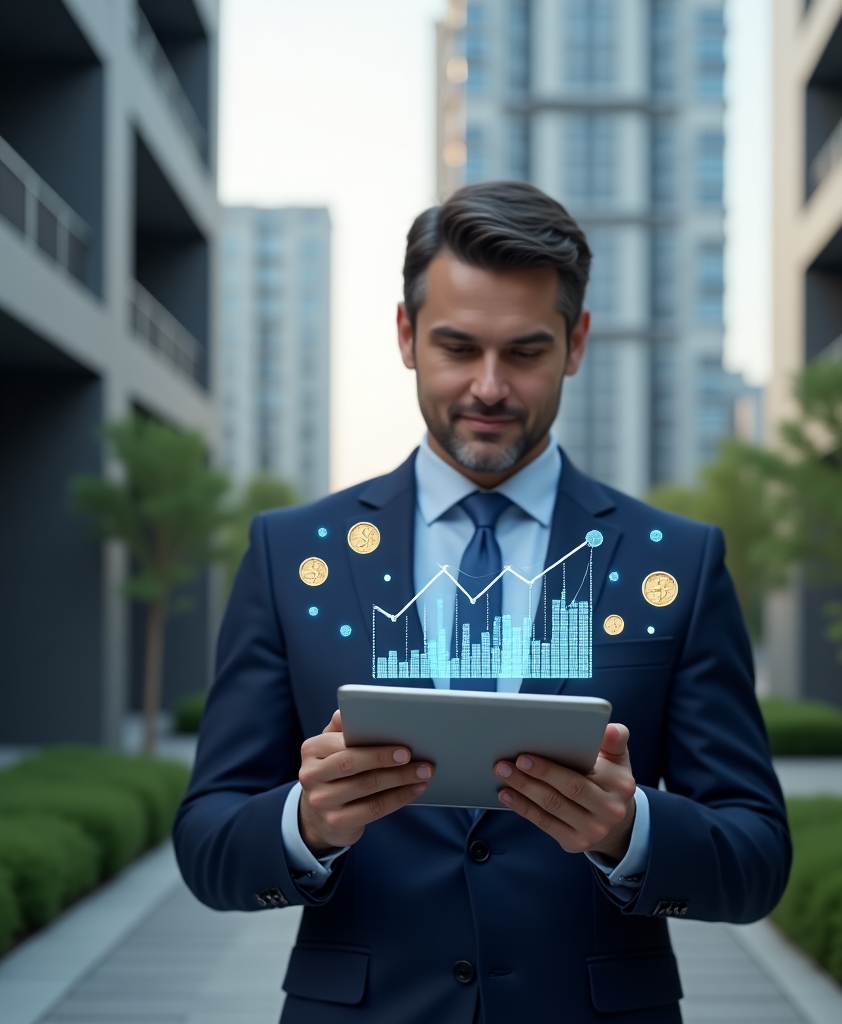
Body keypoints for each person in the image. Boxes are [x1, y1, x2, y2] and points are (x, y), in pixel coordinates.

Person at [174, 182, 791, 1024]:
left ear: (576, 343)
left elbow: (756, 858)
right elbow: (208, 844)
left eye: (525, 352)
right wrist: (306, 822)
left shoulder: (678, 562)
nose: (490, 387)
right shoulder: (292, 554)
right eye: (458, 347)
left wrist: (630, 829)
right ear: (405, 334)